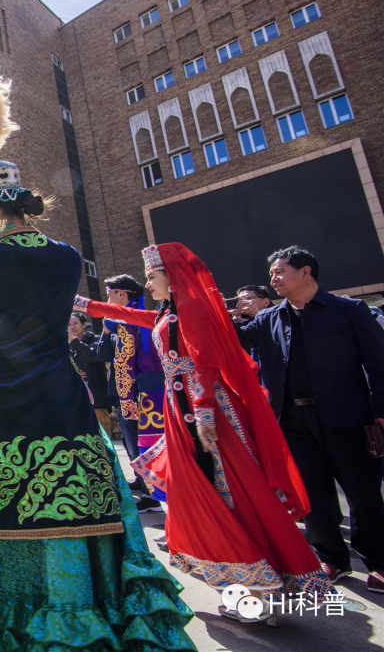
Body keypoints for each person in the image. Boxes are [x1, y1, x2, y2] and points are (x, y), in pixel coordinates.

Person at [0, 71, 192, 650]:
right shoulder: (68, 256)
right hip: (63, 397)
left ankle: (14, 615)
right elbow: (32, 311)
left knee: (0, 499)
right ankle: (86, 605)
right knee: (78, 495)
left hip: (0, 400)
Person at [79, 242, 332, 622]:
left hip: (203, 414)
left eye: (152, 276)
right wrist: (85, 304)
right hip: (184, 409)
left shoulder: (193, 308)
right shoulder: (170, 311)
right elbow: (130, 315)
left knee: (229, 492)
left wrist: (204, 413)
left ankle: (258, 589)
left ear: (172, 276)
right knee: (210, 492)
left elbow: (206, 362)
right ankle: (252, 586)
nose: (148, 284)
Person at [235, 246, 384, 594]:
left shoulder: (349, 310)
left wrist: (381, 410)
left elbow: (379, 363)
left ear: (305, 271)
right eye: (272, 273)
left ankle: (378, 561)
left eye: (280, 271)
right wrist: (199, 303)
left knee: (362, 492)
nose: (273, 278)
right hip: (291, 420)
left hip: (348, 416)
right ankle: (332, 558)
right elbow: (234, 339)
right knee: (311, 492)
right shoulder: (268, 319)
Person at [73, 275, 165, 507]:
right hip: (124, 393)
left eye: (110, 295)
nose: (108, 300)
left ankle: (151, 495)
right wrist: (106, 330)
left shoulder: (137, 319)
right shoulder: (117, 323)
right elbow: (104, 355)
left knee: (142, 443)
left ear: (121, 294)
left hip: (142, 393)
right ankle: (144, 484)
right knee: (131, 443)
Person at [67, 311, 112, 435]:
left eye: (75, 323)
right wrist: (74, 374)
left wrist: (73, 341)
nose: (72, 327)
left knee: (102, 437)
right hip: (76, 400)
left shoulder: (96, 340)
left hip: (97, 399)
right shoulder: (66, 346)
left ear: (84, 324)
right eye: (69, 325)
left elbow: (94, 356)